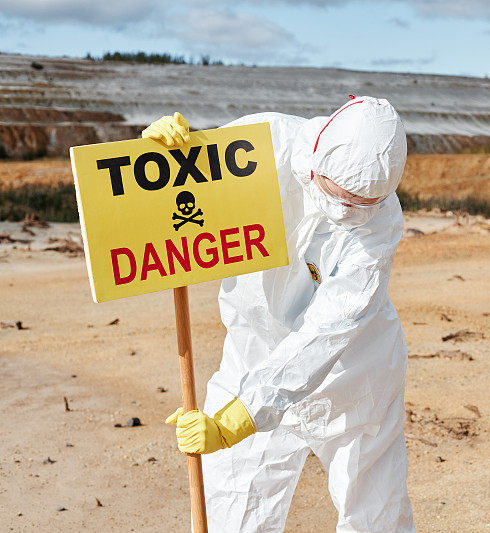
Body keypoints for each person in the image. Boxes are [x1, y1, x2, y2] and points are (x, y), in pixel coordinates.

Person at [144, 96, 415, 532]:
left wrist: (239, 418)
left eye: (361, 204)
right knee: (232, 504)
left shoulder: (381, 226)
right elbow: (189, 188)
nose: (345, 211)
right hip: (253, 353)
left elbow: (327, 330)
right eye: (334, 193)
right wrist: (161, 156)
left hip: (352, 375)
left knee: (373, 509)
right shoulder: (264, 142)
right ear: (315, 159)